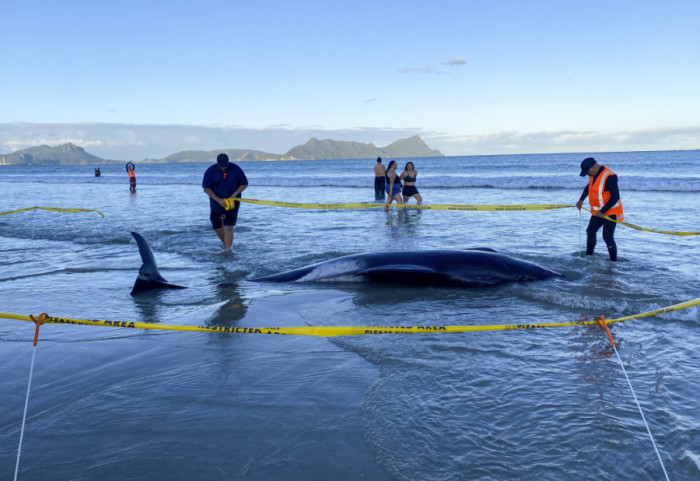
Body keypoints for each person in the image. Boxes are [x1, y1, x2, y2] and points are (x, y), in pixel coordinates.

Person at [575, 157, 623, 261]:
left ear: (593, 167)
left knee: (607, 237)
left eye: (587, 172)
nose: (587, 175)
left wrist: (603, 211)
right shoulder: (593, 175)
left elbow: (615, 197)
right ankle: (589, 256)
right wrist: (581, 200)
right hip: (598, 212)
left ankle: (613, 262)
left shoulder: (609, 177)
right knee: (590, 231)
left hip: (611, 211)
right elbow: (589, 187)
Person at [202, 153, 248, 252]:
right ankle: (227, 244)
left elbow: (244, 184)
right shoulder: (211, 171)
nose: (223, 168)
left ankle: (228, 250)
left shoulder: (236, 169)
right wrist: (219, 200)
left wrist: (235, 194)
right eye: (221, 166)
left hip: (232, 202)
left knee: (228, 227)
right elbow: (206, 188)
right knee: (217, 227)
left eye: (225, 166)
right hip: (216, 202)